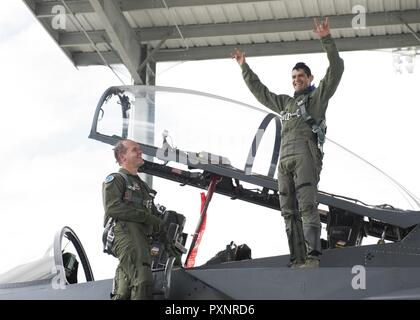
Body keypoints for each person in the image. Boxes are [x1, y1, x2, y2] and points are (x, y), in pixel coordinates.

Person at [232, 17, 344, 268]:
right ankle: (297, 259)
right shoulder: (284, 103)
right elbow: (261, 92)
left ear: (309, 77)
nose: (296, 79)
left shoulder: (316, 99)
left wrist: (326, 38)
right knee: (288, 211)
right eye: (294, 76)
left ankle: (313, 257)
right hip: (285, 160)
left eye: (301, 76)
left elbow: (336, 70)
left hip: (306, 154)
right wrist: (244, 67)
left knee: (307, 206)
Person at [102, 139, 163, 299]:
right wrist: (147, 217)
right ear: (123, 157)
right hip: (126, 233)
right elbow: (112, 207)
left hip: (140, 237)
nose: (140, 152)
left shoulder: (142, 186)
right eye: (135, 150)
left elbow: (151, 212)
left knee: (123, 291)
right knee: (143, 279)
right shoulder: (117, 179)